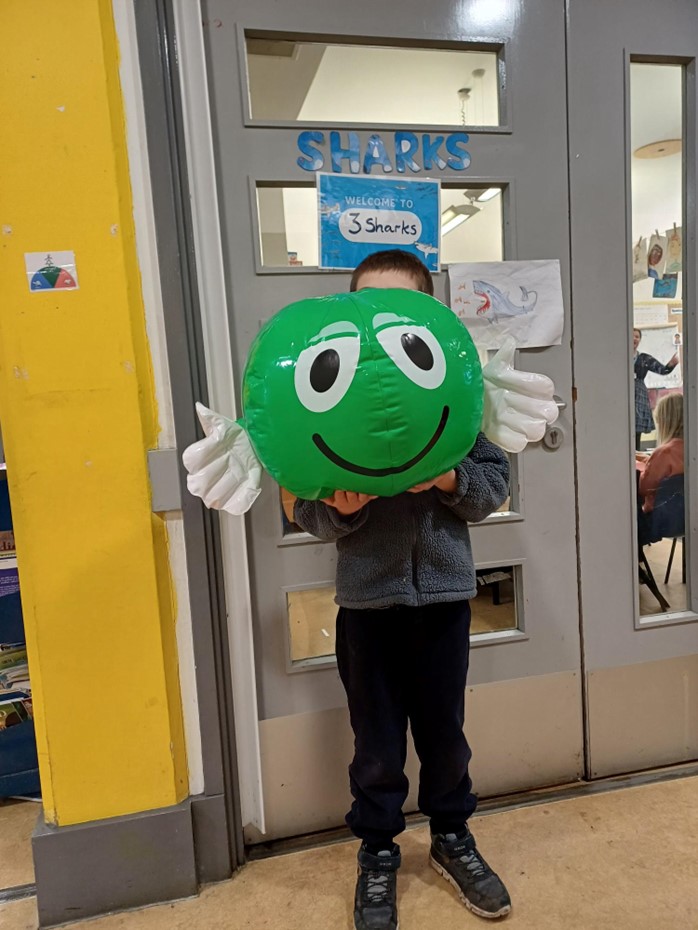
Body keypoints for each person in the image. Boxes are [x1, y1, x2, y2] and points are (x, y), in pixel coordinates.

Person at [293, 250, 512, 930]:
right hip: (367, 606)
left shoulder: (456, 399)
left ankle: (452, 838)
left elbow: (494, 488)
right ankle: (379, 853)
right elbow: (304, 508)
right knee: (377, 742)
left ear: (431, 317)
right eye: (366, 306)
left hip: (445, 600)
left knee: (445, 734)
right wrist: (344, 508)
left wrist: (449, 482)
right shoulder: (329, 400)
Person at [637, 392, 684, 514]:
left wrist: (643, 468)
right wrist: (646, 459)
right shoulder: (689, 449)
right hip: (683, 519)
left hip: (659, 520)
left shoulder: (664, 453)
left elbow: (644, 488)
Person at [633, 328, 679, 450]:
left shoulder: (643, 358)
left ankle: (636, 459)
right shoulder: (618, 357)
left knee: (637, 429)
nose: (634, 339)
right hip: (622, 391)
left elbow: (663, 370)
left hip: (639, 394)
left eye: (637, 337)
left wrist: (672, 363)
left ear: (640, 340)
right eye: (632, 336)